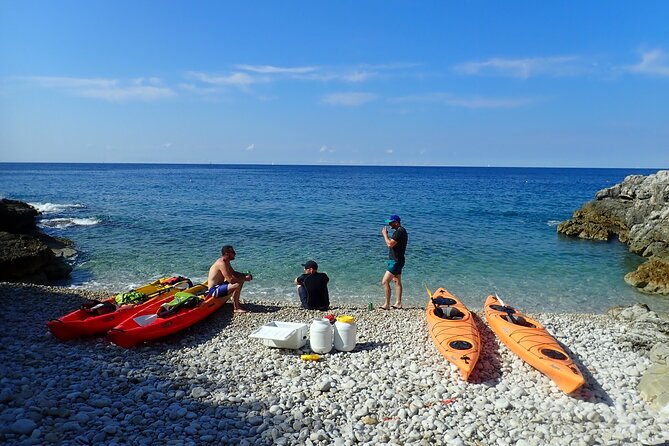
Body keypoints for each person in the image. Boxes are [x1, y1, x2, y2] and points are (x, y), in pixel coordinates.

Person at [207, 245, 251, 313]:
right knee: (237, 284)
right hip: (214, 290)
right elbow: (231, 280)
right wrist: (245, 278)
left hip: (220, 285)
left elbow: (233, 273)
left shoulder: (226, 261)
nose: (235, 254)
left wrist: (244, 275)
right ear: (227, 253)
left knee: (240, 280)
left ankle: (235, 301)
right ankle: (236, 308)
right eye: (233, 252)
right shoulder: (221, 263)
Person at [380, 214, 408, 310]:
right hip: (398, 260)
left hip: (395, 261)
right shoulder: (401, 231)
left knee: (385, 281)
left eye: (390, 222)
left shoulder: (399, 231)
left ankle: (387, 304)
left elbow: (389, 244)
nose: (389, 224)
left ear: (396, 222)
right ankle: (398, 303)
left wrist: (385, 234)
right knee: (397, 281)